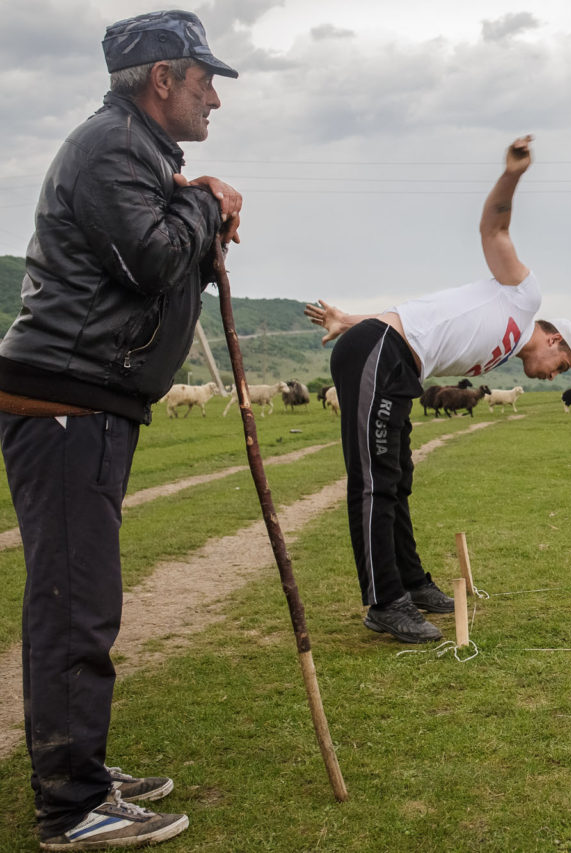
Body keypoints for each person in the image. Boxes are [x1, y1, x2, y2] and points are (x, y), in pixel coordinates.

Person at [0, 11, 242, 850]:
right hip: (67, 400)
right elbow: (155, 260)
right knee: (75, 604)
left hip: (91, 400)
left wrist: (195, 201)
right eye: (205, 79)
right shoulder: (111, 149)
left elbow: (154, 265)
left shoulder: (141, 155)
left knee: (80, 597)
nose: (216, 97)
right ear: (161, 79)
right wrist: (206, 209)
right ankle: (70, 807)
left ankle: (85, 773)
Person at [305, 135, 571, 644]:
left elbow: (421, 317)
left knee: (397, 477)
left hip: (394, 355)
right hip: (380, 351)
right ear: (555, 337)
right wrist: (513, 174)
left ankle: (411, 583)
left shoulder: (501, 349)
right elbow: (494, 226)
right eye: (559, 365)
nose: (552, 376)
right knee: (373, 482)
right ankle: (384, 603)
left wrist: (349, 318)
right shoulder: (523, 297)